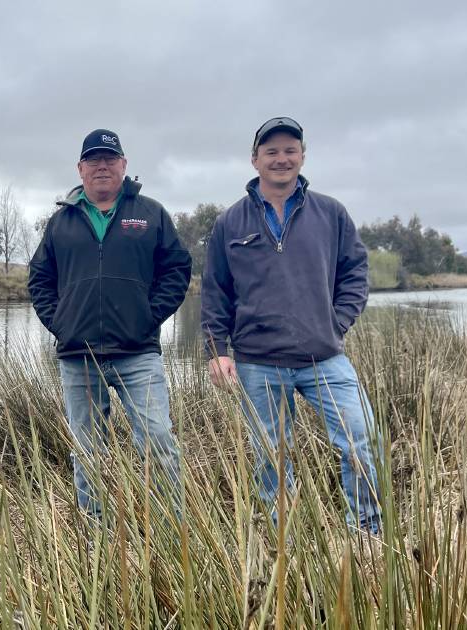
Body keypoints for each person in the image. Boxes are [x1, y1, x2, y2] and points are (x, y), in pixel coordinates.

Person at [201, 116, 382, 533]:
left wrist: (335, 323)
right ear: (254, 160)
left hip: (325, 357)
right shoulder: (230, 222)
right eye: (271, 151)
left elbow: (355, 273)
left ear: (302, 156)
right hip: (258, 362)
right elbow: (215, 293)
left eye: (290, 150)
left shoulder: (331, 213)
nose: (281, 159)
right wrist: (217, 352)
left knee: (360, 440)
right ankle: (286, 537)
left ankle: (366, 534)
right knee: (270, 455)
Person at [29, 129, 192, 517]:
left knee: (158, 440)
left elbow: (177, 268)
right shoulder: (60, 223)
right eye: (93, 159)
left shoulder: (150, 214)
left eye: (110, 158)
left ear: (124, 165)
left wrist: (149, 318)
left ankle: (172, 532)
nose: (102, 165)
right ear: (80, 168)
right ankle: (95, 537)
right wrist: (62, 324)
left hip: (138, 354)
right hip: (78, 357)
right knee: (87, 450)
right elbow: (39, 279)